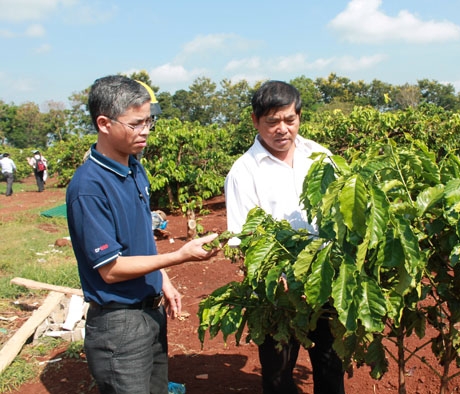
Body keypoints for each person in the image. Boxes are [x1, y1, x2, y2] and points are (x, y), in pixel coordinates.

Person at [66, 75, 219, 394]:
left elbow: (140, 239)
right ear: (104, 123)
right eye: (136, 123)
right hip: (118, 324)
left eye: (149, 120)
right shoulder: (89, 188)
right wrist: (180, 256)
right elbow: (110, 269)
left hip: (150, 313)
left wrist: (163, 279)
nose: (146, 129)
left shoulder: (134, 167)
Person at [225, 80, 345, 394]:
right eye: (272, 122)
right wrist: (279, 279)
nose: (282, 129)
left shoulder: (320, 156)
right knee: (278, 375)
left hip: (326, 280)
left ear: (299, 117)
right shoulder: (244, 172)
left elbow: (338, 209)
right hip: (278, 293)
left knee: (331, 366)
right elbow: (245, 240)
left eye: (289, 120)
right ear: (255, 121)